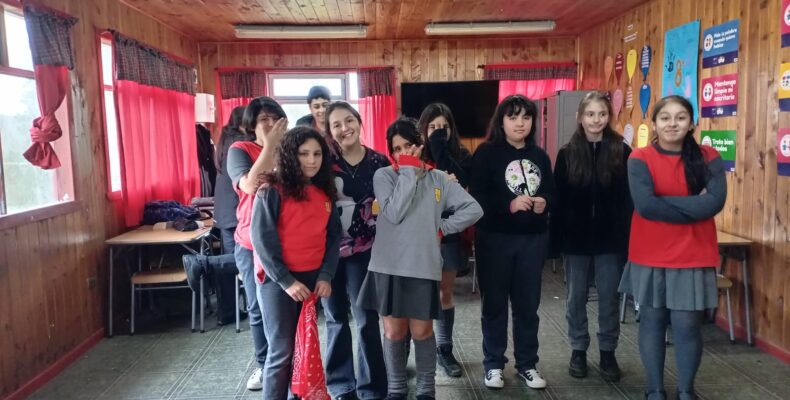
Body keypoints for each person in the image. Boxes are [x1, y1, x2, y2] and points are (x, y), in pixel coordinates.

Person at [357, 118, 483, 400]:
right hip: (388, 265)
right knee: (393, 332)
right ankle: (396, 389)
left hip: (422, 265)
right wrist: (409, 171)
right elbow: (394, 212)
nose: (403, 153)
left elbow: (473, 209)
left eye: (408, 146)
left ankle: (427, 390)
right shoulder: (384, 176)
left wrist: (442, 228)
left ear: (420, 145)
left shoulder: (438, 179)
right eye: (397, 149)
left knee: (422, 331)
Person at [619, 95, 726, 400]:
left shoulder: (708, 157)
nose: (672, 124)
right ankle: (654, 389)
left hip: (693, 253)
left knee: (687, 325)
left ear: (691, 123)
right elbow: (645, 206)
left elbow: (714, 203)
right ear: (654, 123)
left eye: (681, 117)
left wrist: (663, 201)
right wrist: (694, 205)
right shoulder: (639, 158)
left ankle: (686, 390)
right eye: (665, 118)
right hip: (649, 253)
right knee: (652, 321)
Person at [469, 94, 555, 390]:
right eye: (513, 117)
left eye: (526, 117)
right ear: (501, 121)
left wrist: (545, 202)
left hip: (532, 240)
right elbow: (476, 197)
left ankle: (527, 364)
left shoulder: (540, 156)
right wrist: (509, 205)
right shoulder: (486, 153)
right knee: (494, 305)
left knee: (527, 306)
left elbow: (553, 193)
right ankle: (493, 364)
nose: (520, 123)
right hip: (494, 239)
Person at [251, 126, 342, 400]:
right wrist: (286, 281)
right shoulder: (271, 190)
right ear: (291, 155)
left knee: (305, 345)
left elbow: (333, 236)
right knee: (282, 351)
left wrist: (326, 275)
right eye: (304, 154)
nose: (312, 160)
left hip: (313, 280)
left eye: (317, 154)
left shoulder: (324, 191)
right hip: (278, 282)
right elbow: (262, 240)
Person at [550, 92, 632, 382]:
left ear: (609, 117)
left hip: (611, 241)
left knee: (609, 297)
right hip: (576, 240)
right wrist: (555, 241)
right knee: (575, 298)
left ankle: (608, 351)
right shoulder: (567, 154)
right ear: (580, 118)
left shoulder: (622, 152)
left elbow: (628, 200)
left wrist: (626, 238)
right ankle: (578, 349)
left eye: (602, 114)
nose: (596, 120)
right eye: (590, 114)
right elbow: (558, 201)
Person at [321, 101, 389, 400]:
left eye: (349, 120)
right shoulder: (324, 163)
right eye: (336, 124)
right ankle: (341, 385)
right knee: (335, 318)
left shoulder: (379, 161)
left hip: (366, 251)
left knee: (366, 319)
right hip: (328, 252)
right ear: (329, 131)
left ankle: (372, 388)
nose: (344, 128)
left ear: (359, 122)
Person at [226, 97, 288, 391]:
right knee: (257, 307)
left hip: (286, 240)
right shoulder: (239, 150)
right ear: (251, 125)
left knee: (287, 309)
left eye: (275, 117)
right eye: (263, 118)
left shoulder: (291, 150)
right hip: (251, 243)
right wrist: (269, 145)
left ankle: (292, 363)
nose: (270, 123)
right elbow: (250, 185)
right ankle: (264, 364)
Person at [416, 103, 472, 378]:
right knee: (417, 293)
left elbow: (460, 185)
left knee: (444, 292)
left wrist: (441, 151)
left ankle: (444, 348)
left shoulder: (461, 155)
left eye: (444, 128)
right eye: (433, 127)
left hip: (448, 234)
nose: (439, 132)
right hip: (418, 236)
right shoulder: (415, 155)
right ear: (423, 129)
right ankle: (414, 348)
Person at [183, 106, 250, 325]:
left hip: (225, 212)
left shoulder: (225, 141)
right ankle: (204, 263)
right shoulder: (240, 144)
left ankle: (227, 312)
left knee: (234, 261)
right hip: (237, 211)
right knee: (246, 258)